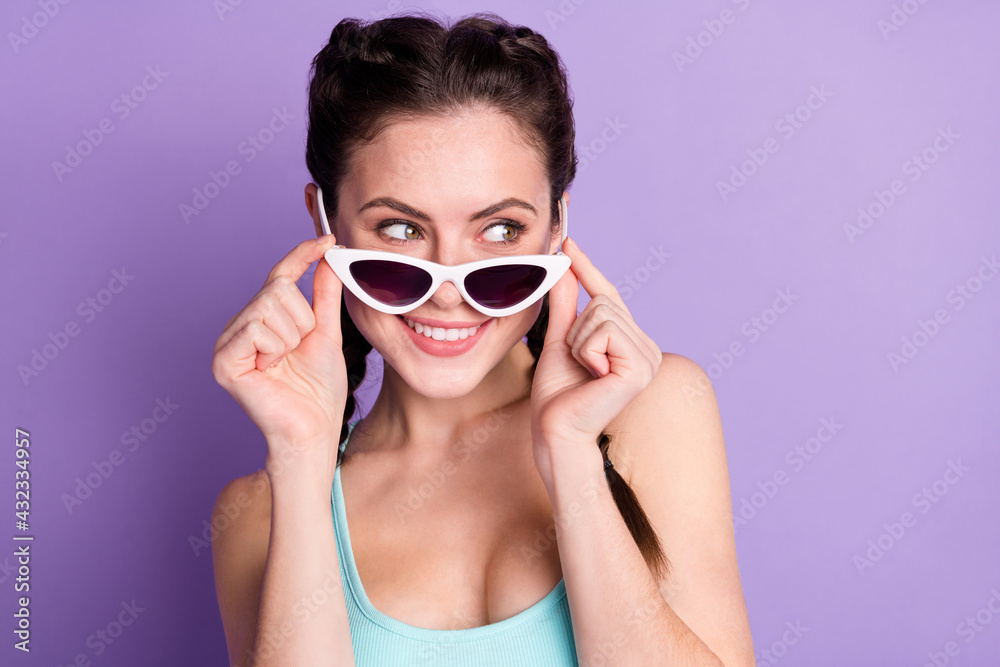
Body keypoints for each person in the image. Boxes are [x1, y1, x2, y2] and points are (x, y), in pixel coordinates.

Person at [209, 11, 754, 667]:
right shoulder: (258, 513)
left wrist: (573, 458)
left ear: (557, 228)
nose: (450, 285)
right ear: (325, 221)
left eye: (499, 231)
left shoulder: (652, 409)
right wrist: (301, 458)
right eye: (401, 229)